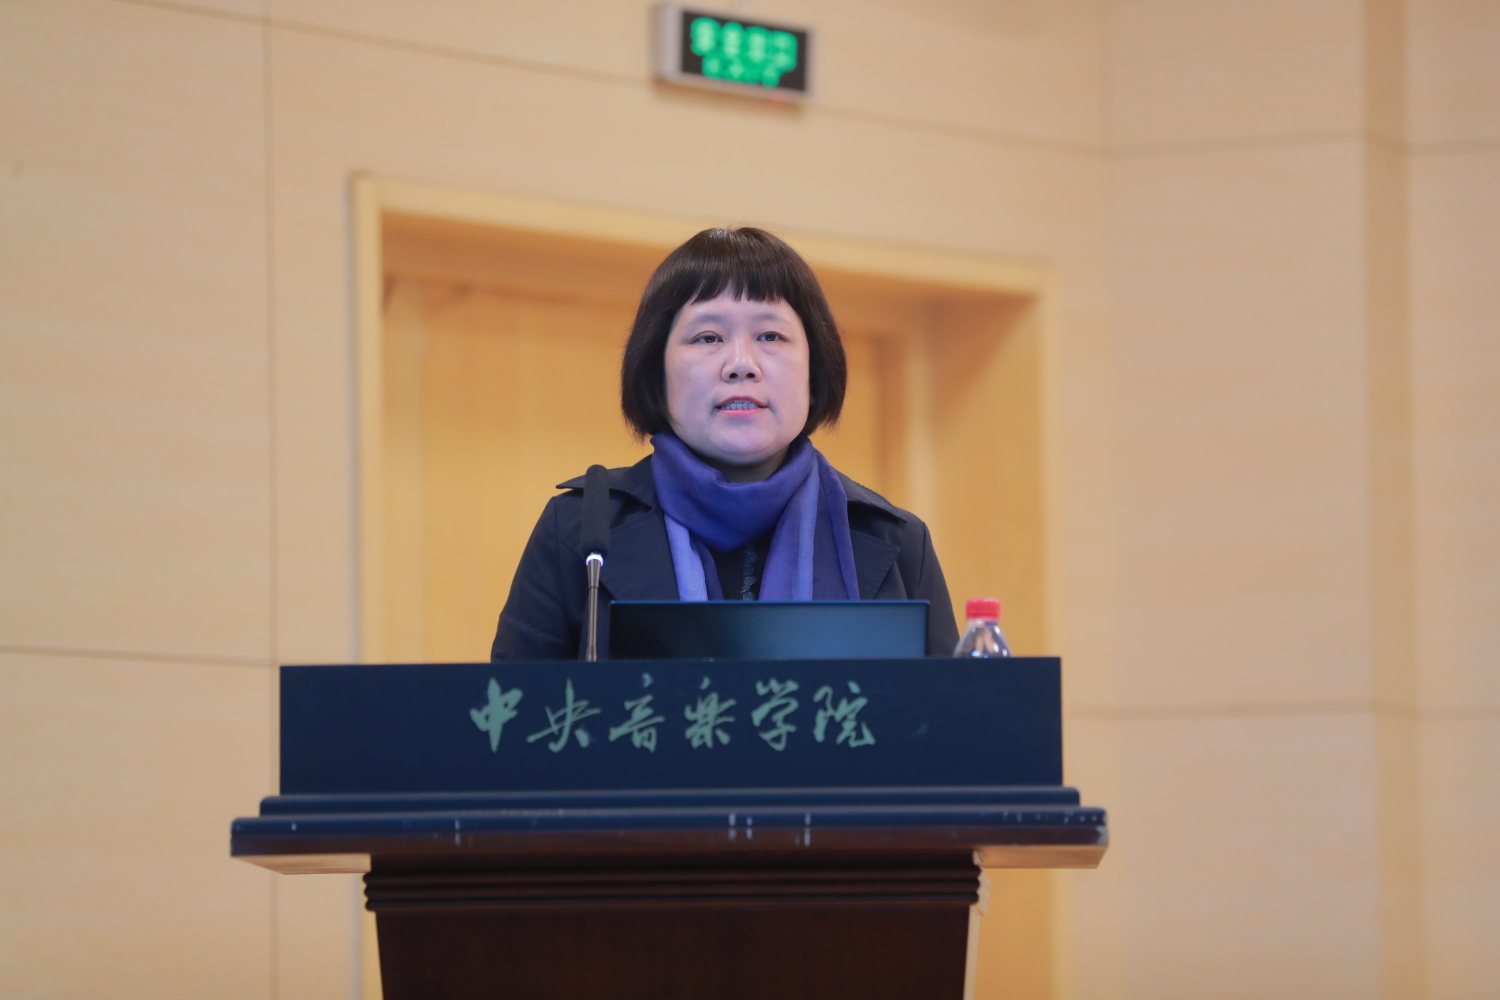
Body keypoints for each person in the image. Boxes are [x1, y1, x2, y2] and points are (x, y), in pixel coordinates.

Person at [490, 226, 959, 660]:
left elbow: (945, 716)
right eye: (708, 337)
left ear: (815, 374)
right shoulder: (582, 531)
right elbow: (514, 714)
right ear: (657, 375)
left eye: (770, 335)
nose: (741, 364)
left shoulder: (896, 541)